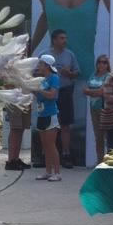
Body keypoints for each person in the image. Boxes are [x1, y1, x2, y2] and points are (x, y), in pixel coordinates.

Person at [49, 28, 80, 167]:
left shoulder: (70, 55)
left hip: (65, 91)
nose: (65, 41)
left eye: (65, 38)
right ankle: (47, 155)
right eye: (62, 38)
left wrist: (70, 73)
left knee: (65, 124)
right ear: (54, 40)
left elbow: (77, 72)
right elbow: (36, 72)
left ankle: (66, 154)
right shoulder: (45, 54)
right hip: (50, 93)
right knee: (49, 125)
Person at [33, 52, 62, 180]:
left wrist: (39, 90)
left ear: (46, 65)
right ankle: (48, 171)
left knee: (51, 145)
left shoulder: (54, 77)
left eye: (40, 63)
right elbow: (39, 95)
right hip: (41, 114)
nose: (38, 66)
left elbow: (52, 95)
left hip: (51, 114)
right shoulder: (42, 79)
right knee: (45, 146)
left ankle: (57, 173)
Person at [85, 54, 111, 164]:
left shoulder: (109, 76)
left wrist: (91, 92)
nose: (101, 64)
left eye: (104, 62)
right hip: (93, 109)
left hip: (104, 109)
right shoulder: (93, 75)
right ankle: (99, 161)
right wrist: (95, 92)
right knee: (98, 137)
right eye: (99, 62)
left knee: (107, 136)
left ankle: (109, 161)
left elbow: (102, 92)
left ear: (107, 65)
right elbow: (84, 90)